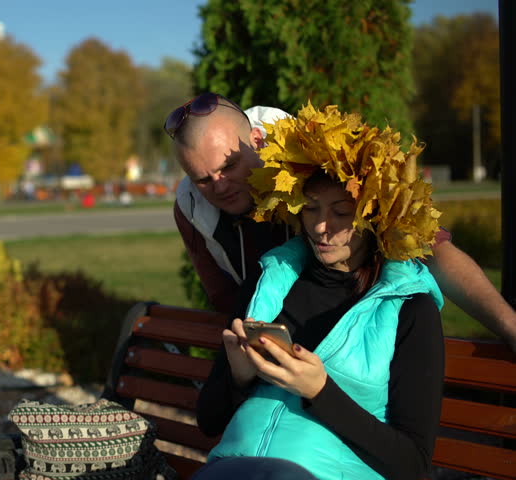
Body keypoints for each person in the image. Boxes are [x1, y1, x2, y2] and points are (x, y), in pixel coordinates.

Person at [194, 104, 444, 480]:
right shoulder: (270, 283)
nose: (322, 227)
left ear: (375, 215)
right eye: (311, 209)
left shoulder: (410, 309)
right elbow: (208, 421)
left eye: (342, 213)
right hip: (234, 469)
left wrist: (320, 391)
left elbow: (414, 464)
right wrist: (239, 377)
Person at [167, 92, 516, 350]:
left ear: (257, 141)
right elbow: (226, 299)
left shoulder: (321, 155)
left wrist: (509, 325)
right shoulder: (190, 207)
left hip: (366, 344)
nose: (219, 186)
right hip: (289, 356)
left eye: (228, 167)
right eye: (201, 178)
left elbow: (428, 246)